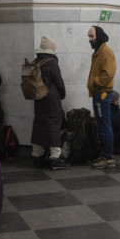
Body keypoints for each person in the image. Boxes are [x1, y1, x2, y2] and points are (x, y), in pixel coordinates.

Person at [30, 36, 69, 170]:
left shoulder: (36, 61)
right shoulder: (52, 63)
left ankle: (37, 156)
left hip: (39, 99)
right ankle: (55, 158)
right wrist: (62, 94)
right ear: (52, 49)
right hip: (51, 101)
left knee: (39, 126)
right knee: (53, 126)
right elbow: (59, 82)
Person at [87, 26, 117, 169]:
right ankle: (105, 154)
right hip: (98, 92)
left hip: (102, 92)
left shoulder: (105, 51)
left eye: (92, 37)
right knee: (102, 124)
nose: (90, 40)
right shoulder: (98, 52)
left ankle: (108, 158)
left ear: (98, 36)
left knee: (104, 125)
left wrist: (96, 82)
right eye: (89, 37)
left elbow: (109, 73)